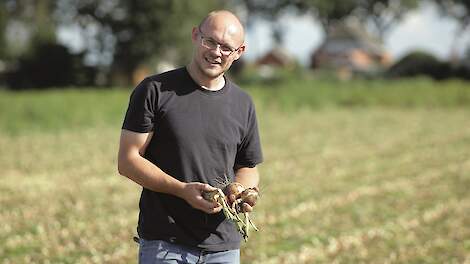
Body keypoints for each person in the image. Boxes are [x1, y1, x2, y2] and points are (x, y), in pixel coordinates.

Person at [117, 10, 263, 264]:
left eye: (226, 48)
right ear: (196, 36)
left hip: (223, 247)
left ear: (239, 52)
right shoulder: (155, 91)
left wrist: (240, 190)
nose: (216, 52)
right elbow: (128, 160)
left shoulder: (243, 103)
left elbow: (248, 166)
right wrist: (182, 190)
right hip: (165, 244)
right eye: (210, 41)